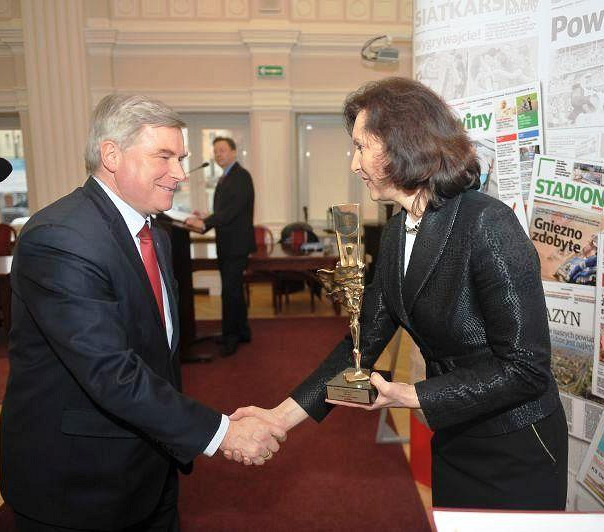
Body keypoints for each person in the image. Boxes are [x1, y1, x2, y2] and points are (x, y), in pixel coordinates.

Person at [230, 77, 568, 510]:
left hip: (518, 445)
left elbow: (526, 369)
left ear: (402, 143)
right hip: (454, 434)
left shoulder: (487, 224)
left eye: (361, 146)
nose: (354, 164)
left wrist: (411, 395)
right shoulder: (394, 235)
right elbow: (361, 344)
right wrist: (280, 416)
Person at [0, 94, 285, 531]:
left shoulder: (154, 232)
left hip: (149, 469)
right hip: (79, 485)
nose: (179, 173)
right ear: (111, 155)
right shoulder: (62, 237)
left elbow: (156, 354)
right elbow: (111, 372)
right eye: (164, 157)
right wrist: (223, 432)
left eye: (181, 158)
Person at [185, 137, 256, 357]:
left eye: (223, 150)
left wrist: (206, 223)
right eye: (215, 152)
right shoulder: (226, 177)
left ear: (234, 152)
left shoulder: (241, 177)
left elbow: (232, 211)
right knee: (234, 291)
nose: (218, 155)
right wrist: (206, 216)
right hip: (227, 244)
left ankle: (230, 338)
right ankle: (243, 331)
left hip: (236, 246)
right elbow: (226, 211)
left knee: (230, 292)